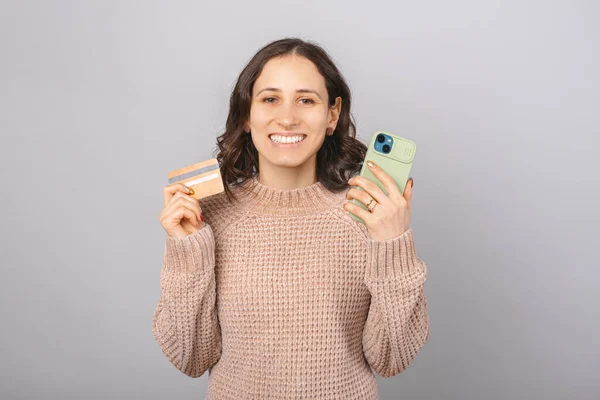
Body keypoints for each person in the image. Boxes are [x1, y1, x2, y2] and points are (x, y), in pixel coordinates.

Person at [153, 37, 430, 400]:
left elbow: (392, 358)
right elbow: (190, 358)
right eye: (270, 99)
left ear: (332, 115)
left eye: (306, 100)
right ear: (246, 116)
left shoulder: (369, 212)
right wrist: (188, 250)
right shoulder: (209, 216)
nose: (287, 118)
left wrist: (392, 245)